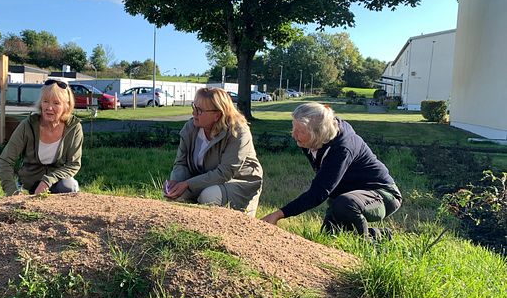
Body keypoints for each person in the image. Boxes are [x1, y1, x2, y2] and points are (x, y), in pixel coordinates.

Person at [260, 102, 402, 240]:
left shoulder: (342, 148)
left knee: (345, 204)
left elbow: (319, 192)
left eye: (300, 131)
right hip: (345, 196)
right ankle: (380, 234)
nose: (294, 134)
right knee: (329, 236)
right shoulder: (308, 141)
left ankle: (367, 242)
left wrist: (278, 214)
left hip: (382, 195)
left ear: (319, 133)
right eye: (293, 128)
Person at [164, 87, 263, 216]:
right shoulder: (190, 127)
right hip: (202, 181)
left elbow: (225, 173)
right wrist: (176, 183)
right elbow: (181, 163)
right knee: (173, 194)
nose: (194, 113)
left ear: (217, 115)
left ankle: (232, 222)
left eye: (199, 110)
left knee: (209, 196)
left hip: (239, 182)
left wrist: (188, 184)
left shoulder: (238, 131)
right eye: (194, 107)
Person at [0, 79, 83, 195]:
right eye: (45, 101)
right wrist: (11, 191)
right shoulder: (27, 125)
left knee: (69, 186)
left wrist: (47, 181)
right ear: (40, 103)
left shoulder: (74, 127)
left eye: (56, 103)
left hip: (57, 182)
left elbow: (73, 164)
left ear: (66, 106)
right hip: (28, 184)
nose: (49, 107)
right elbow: (5, 160)